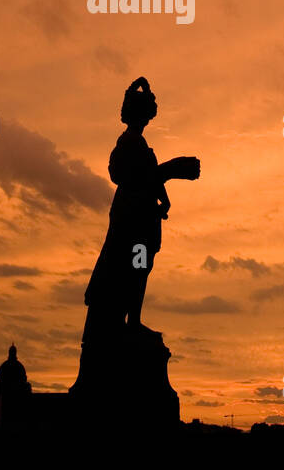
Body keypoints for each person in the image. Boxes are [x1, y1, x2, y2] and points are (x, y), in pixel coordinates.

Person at [83, 77, 199, 339]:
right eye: (146, 113)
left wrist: (164, 196)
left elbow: (149, 178)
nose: (148, 119)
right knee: (132, 268)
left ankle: (133, 319)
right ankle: (129, 321)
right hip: (131, 218)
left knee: (140, 268)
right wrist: (172, 169)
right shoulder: (129, 143)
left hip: (141, 217)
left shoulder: (139, 144)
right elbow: (130, 178)